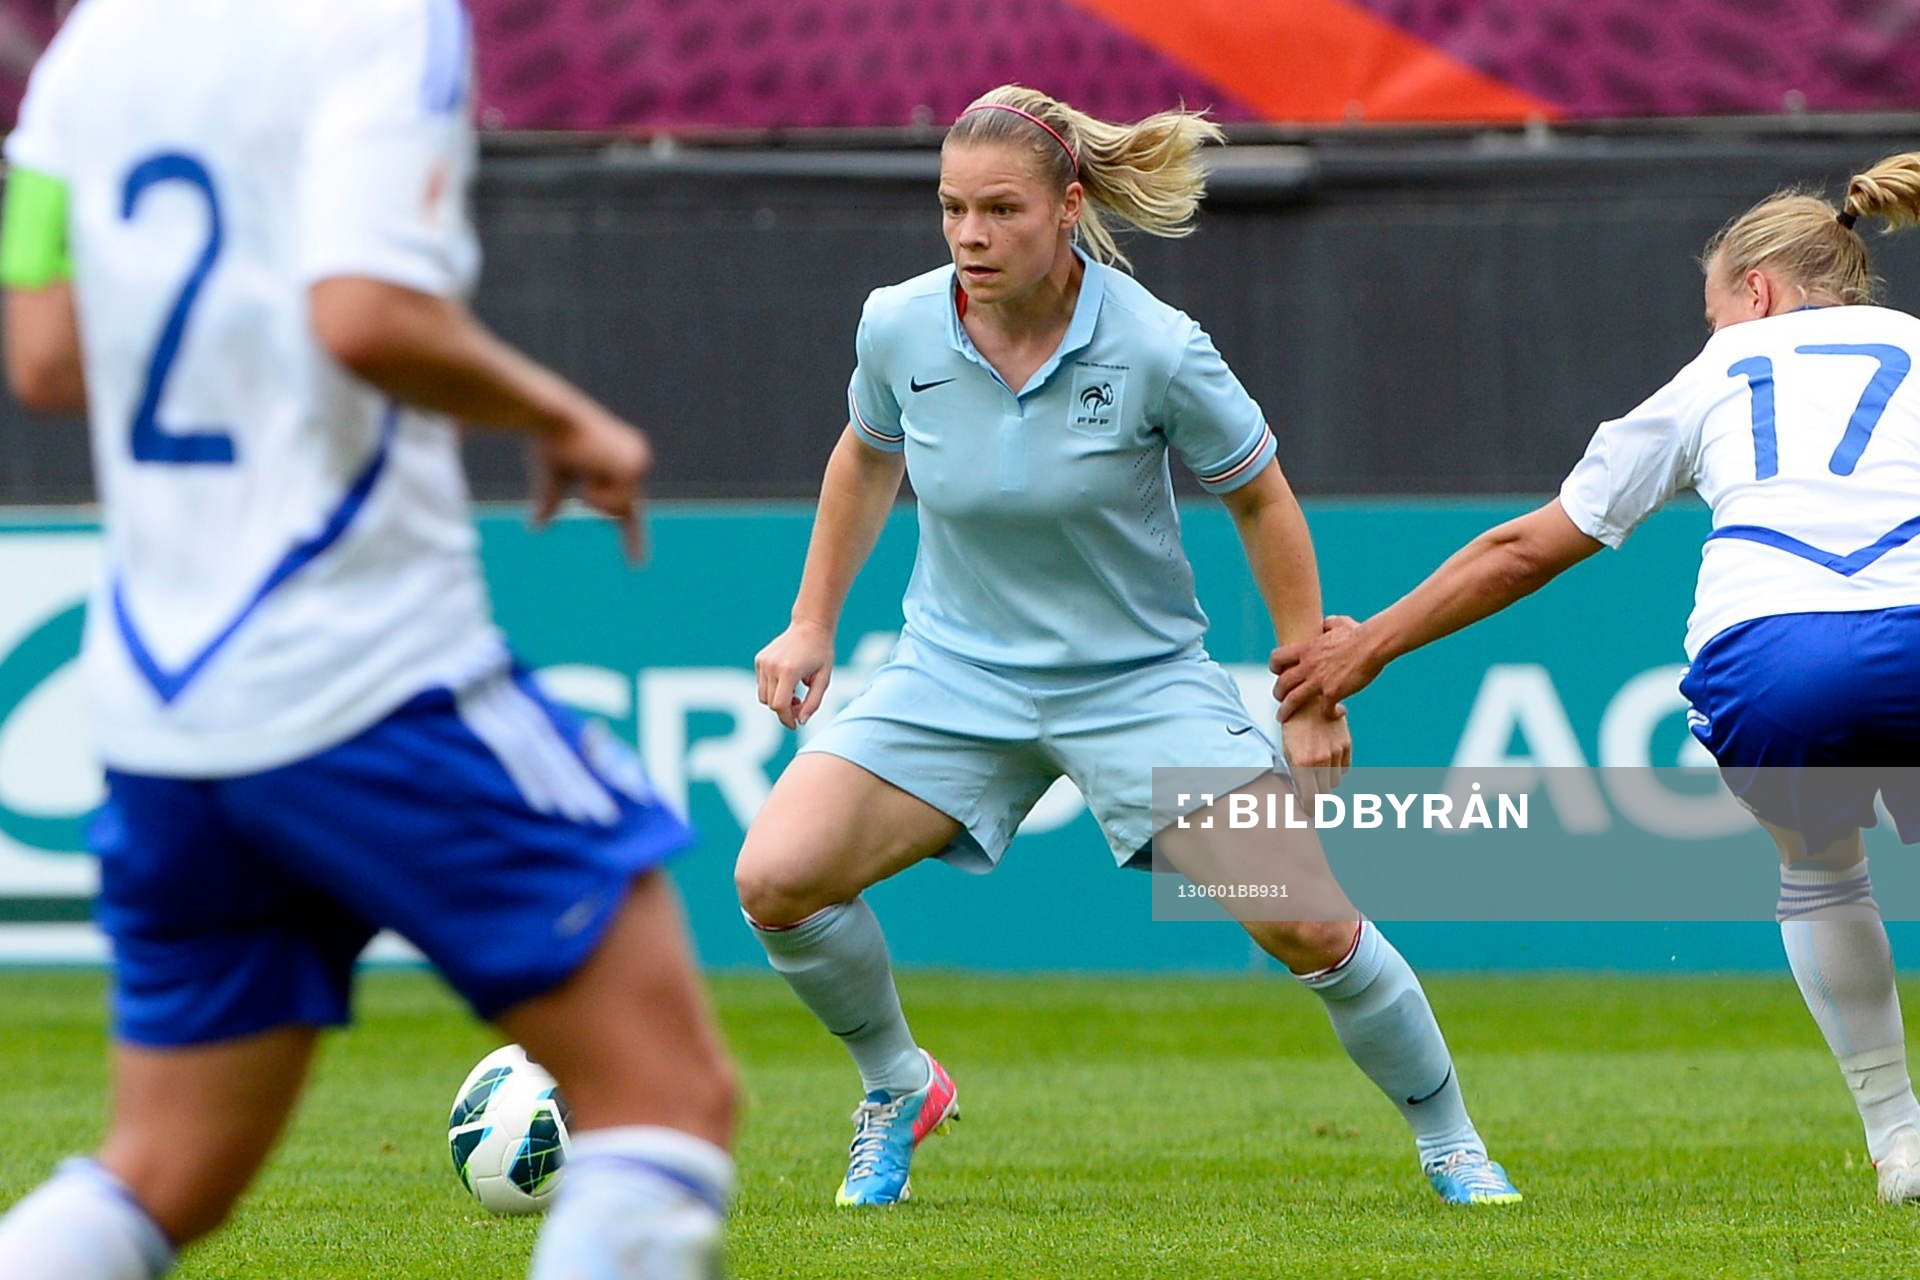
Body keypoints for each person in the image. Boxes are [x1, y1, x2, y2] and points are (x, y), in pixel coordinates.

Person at [0, 2, 735, 1276]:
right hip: (366, 667)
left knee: (161, 1172)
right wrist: (562, 415)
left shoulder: (87, 52)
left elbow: (45, 354)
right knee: (665, 1099)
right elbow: (365, 312)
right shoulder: (386, 22)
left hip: (165, 708)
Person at [735, 84, 1521, 1209]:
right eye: (952, 207)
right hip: (953, 676)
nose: (969, 235)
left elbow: (1262, 499)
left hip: (1138, 686)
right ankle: (897, 1085)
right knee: (775, 879)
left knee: (1309, 922)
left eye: (1000, 209)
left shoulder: (1158, 346)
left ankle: (1452, 1143)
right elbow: (866, 456)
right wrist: (812, 618)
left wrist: (1308, 687)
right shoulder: (898, 324)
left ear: (1067, 207)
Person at [1272, 153, 1920, 1202]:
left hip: (1770, 654)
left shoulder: (1717, 373)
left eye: (1714, 311)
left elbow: (1524, 549)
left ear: (1757, 292)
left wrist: (1368, 645)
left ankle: (1899, 1139)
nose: (1713, 330)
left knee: (1822, 869)